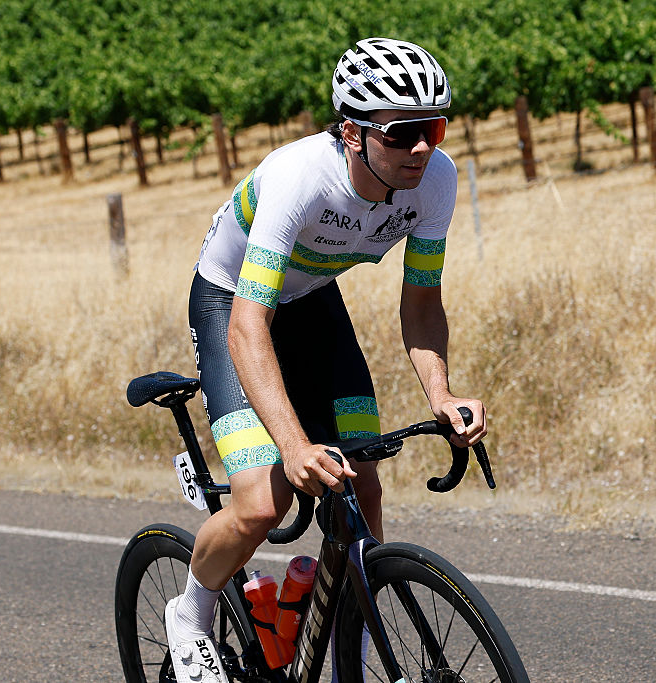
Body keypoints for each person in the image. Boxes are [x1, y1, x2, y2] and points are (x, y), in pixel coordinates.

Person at [164, 37, 488, 683]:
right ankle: (190, 612)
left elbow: (422, 304)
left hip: (312, 300)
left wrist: (442, 396)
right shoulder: (298, 177)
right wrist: (291, 443)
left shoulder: (437, 180)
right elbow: (249, 324)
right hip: (234, 302)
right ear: (352, 132)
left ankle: (348, 647)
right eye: (402, 133)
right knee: (262, 502)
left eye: (435, 127)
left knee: (362, 478)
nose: (423, 147)